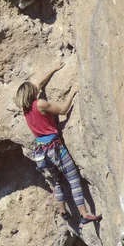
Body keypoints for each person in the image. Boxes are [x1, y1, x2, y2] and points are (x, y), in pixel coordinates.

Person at [15, 63, 101, 224]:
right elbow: (62, 110)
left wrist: (53, 69)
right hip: (55, 149)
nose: (37, 88)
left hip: (42, 152)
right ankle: (84, 214)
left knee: (58, 179)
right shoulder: (40, 104)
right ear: (31, 93)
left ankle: (62, 211)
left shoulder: (26, 110)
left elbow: (38, 84)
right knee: (73, 178)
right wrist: (73, 92)